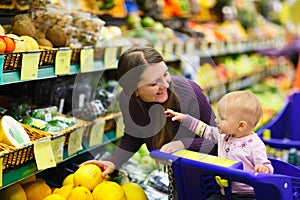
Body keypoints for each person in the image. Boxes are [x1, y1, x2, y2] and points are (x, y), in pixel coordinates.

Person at [82, 46, 217, 177]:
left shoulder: (189, 92)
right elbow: (134, 134)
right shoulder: (127, 99)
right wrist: (113, 162)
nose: (165, 85)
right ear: (134, 90)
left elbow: (221, 141)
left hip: (209, 175)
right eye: (153, 83)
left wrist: (182, 144)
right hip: (176, 175)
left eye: (165, 74)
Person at [165, 90, 274, 200]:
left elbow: (266, 166)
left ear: (240, 126)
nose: (216, 120)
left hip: (247, 195)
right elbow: (203, 129)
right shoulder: (223, 136)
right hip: (224, 192)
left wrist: (263, 168)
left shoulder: (254, 144)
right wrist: (184, 119)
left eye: (222, 118)